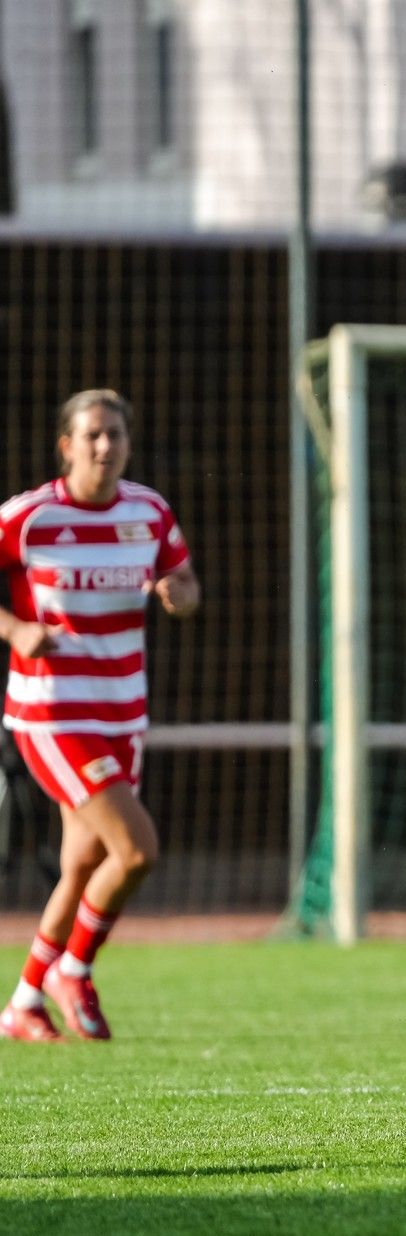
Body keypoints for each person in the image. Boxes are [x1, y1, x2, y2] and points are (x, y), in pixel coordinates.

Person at [0, 390, 199, 1042]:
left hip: (122, 713)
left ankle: (24, 1001)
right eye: (92, 436)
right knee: (137, 850)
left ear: (128, 443)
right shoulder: (30, 516)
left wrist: (178, 595)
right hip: (53, 713)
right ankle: (74, 968)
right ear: (67, 445)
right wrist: (14, 627)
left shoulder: (149, 512)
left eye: (115, 434)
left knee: (85, 862)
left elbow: (187, 582)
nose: (104, 446)